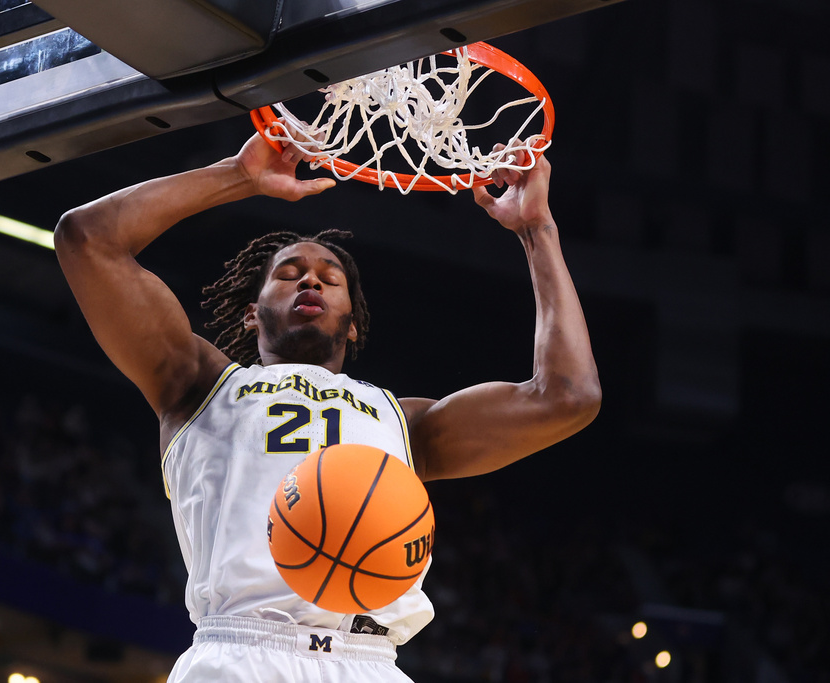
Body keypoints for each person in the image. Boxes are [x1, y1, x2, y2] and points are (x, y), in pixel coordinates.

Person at [53, 129, 601, 682]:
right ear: (251, 313)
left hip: (369, 663)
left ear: (353, 323)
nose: (310, 278)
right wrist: (238, 177)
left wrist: (537, 231)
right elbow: (86, 239)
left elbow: (567, 396)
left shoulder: (406, 421)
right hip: (240, 654)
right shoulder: (197, 385)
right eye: (288, 274)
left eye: (330, 278)